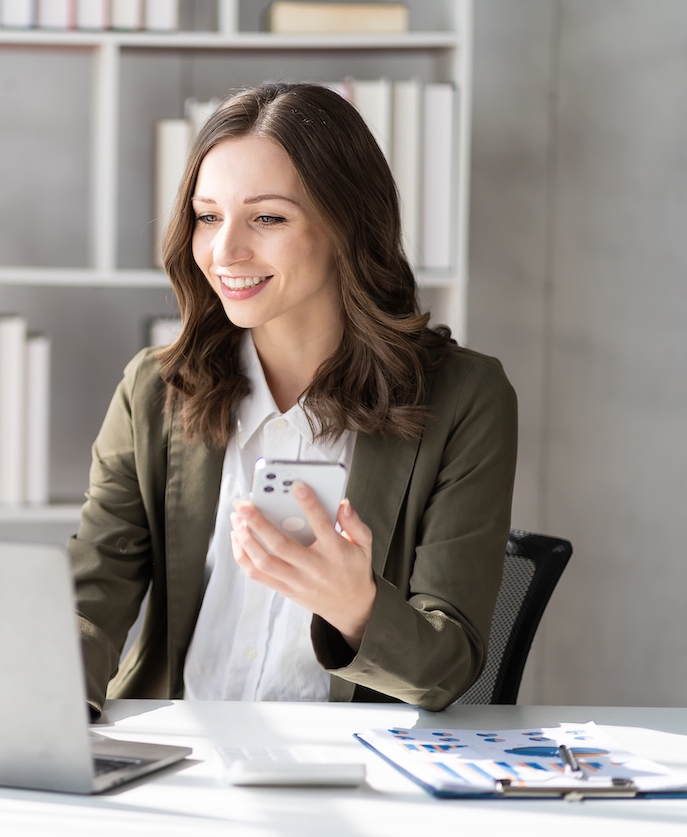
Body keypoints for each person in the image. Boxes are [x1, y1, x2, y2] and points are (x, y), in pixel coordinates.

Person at [70, 82, 517, 720]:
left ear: (348, 225)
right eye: (208, 216)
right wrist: (46, 681)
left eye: (268, 218)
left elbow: (447, 668)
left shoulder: (466, 399)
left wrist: (355, 605)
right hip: (173, 760)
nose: (225, 252)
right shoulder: (155, 390)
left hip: (352, 772)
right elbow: (93, 597)